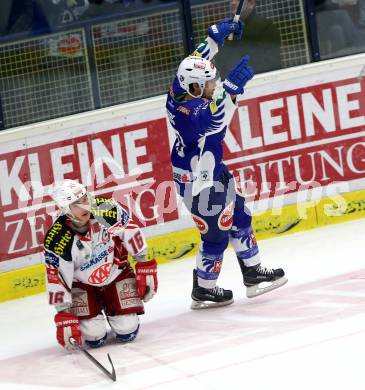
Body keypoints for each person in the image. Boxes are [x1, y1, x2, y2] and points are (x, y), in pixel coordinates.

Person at [166, 19, 287, 310]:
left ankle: (253, 271)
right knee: (215, 234)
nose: (213, 85)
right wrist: (231, 92)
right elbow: (217, 125)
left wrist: (214, 39)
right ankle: (204, 290)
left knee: (240, 214)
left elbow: (195, 61)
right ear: (194, 87)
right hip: (198, 183)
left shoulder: (181, 86)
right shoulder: (188, 113)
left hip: (211, 167)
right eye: (208, 84)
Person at [44, 179, 158, 349]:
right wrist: (64, 314)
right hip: (82, 286)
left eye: (84, 199)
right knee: (94, 338)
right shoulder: (58, 238)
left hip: (116, 273)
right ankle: (96, 305)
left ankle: (111, 302)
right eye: (76, 204)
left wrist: (144, 265)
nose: (85, 206)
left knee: (127, 331)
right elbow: (56, 278)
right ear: (66, 210)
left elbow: (130, 230)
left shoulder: (104, 209)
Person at [214, 0, 282, 78]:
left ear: (251, 3)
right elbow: (221, 62)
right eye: (231, 0)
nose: (233, 3)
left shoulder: (266, 27)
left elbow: (271, 61)